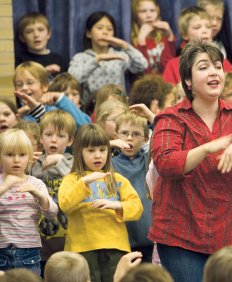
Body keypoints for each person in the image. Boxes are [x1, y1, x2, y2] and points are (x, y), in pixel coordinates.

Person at [149, 40, 232, 282]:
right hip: (180, 234)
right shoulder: (171, 117)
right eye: (203, 67)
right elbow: (166, 163)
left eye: (218, 67)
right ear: (188, 81)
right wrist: (208, 148)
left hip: (227, 232)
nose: (214, 72)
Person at [58, 124, 143, 282]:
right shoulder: (71, 179)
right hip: (81, 247)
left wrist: (117, 205)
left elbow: (137, 207)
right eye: (91, 151)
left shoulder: (117, 179)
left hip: (116, 247)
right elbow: (64, 204)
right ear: (80, 153)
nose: (98, 156)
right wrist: (83, 182)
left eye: (102, 150)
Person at [0, 129, 58, 275]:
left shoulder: (36, 183)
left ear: (30, 158)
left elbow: (52, 214)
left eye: (22, 154)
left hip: (28, 253)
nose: (16, 160)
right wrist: (5, 187)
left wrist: (40, 196)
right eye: (9, 154)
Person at [68, 11, 147, 106]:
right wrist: (97, 60)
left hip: (118, 106)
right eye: (100, 28)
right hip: (91, 108)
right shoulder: (81, 58)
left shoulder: (119, 56)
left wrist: (124, 45)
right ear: (88, 33)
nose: (105, 32)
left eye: (109, 29)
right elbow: (72, 79)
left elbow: (142, 65)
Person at [30, 110, 75, 272]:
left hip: (69, 240)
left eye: (61, 136)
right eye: (49, 134)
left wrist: (60, 161)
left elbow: (77, 182)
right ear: (41, 138)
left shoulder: (74, 163)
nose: (54, 140)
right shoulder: (32, 163)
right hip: (39, 242)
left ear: (70, 140)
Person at [112, 112, 153, 263]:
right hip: (121, 243)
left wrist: (149, 115)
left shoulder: (148, 160)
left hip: (149, 241)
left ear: (145, 139)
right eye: (124, 133)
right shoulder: (108, 164)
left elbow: (162, 135)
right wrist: (108, 144)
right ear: (116, 135)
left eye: (135, 134)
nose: (129, 138)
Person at [162, 6, 232, 86]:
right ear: (185, 35)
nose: (205, 31)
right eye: (197, 27)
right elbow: (169, 96)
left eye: (208, 27)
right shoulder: (173, 65)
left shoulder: (223, 63)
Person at [13, 61, 91, 127]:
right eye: (19, 84)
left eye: (30, 83)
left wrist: (61, 98)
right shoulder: (18, 115)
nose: (24, 88)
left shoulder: (55, 111)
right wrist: (15, 117)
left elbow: (86, 128)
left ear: (44, 86)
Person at [15, 12, 68, 77]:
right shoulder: (19, 60)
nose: (36, 35)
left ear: (48, 34)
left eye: (40, 30)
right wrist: (44, 72)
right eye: (29, 31)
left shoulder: (61, 61)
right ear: (22, 38)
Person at [130, 0, 175, 74]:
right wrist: (141, 42)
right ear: (136, 16)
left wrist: (170, 37)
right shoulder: (133, 41)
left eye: (152, 10)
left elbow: (168, 68)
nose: (149, 15)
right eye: (143, 11)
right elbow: (142, 71)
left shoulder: (163, 38)